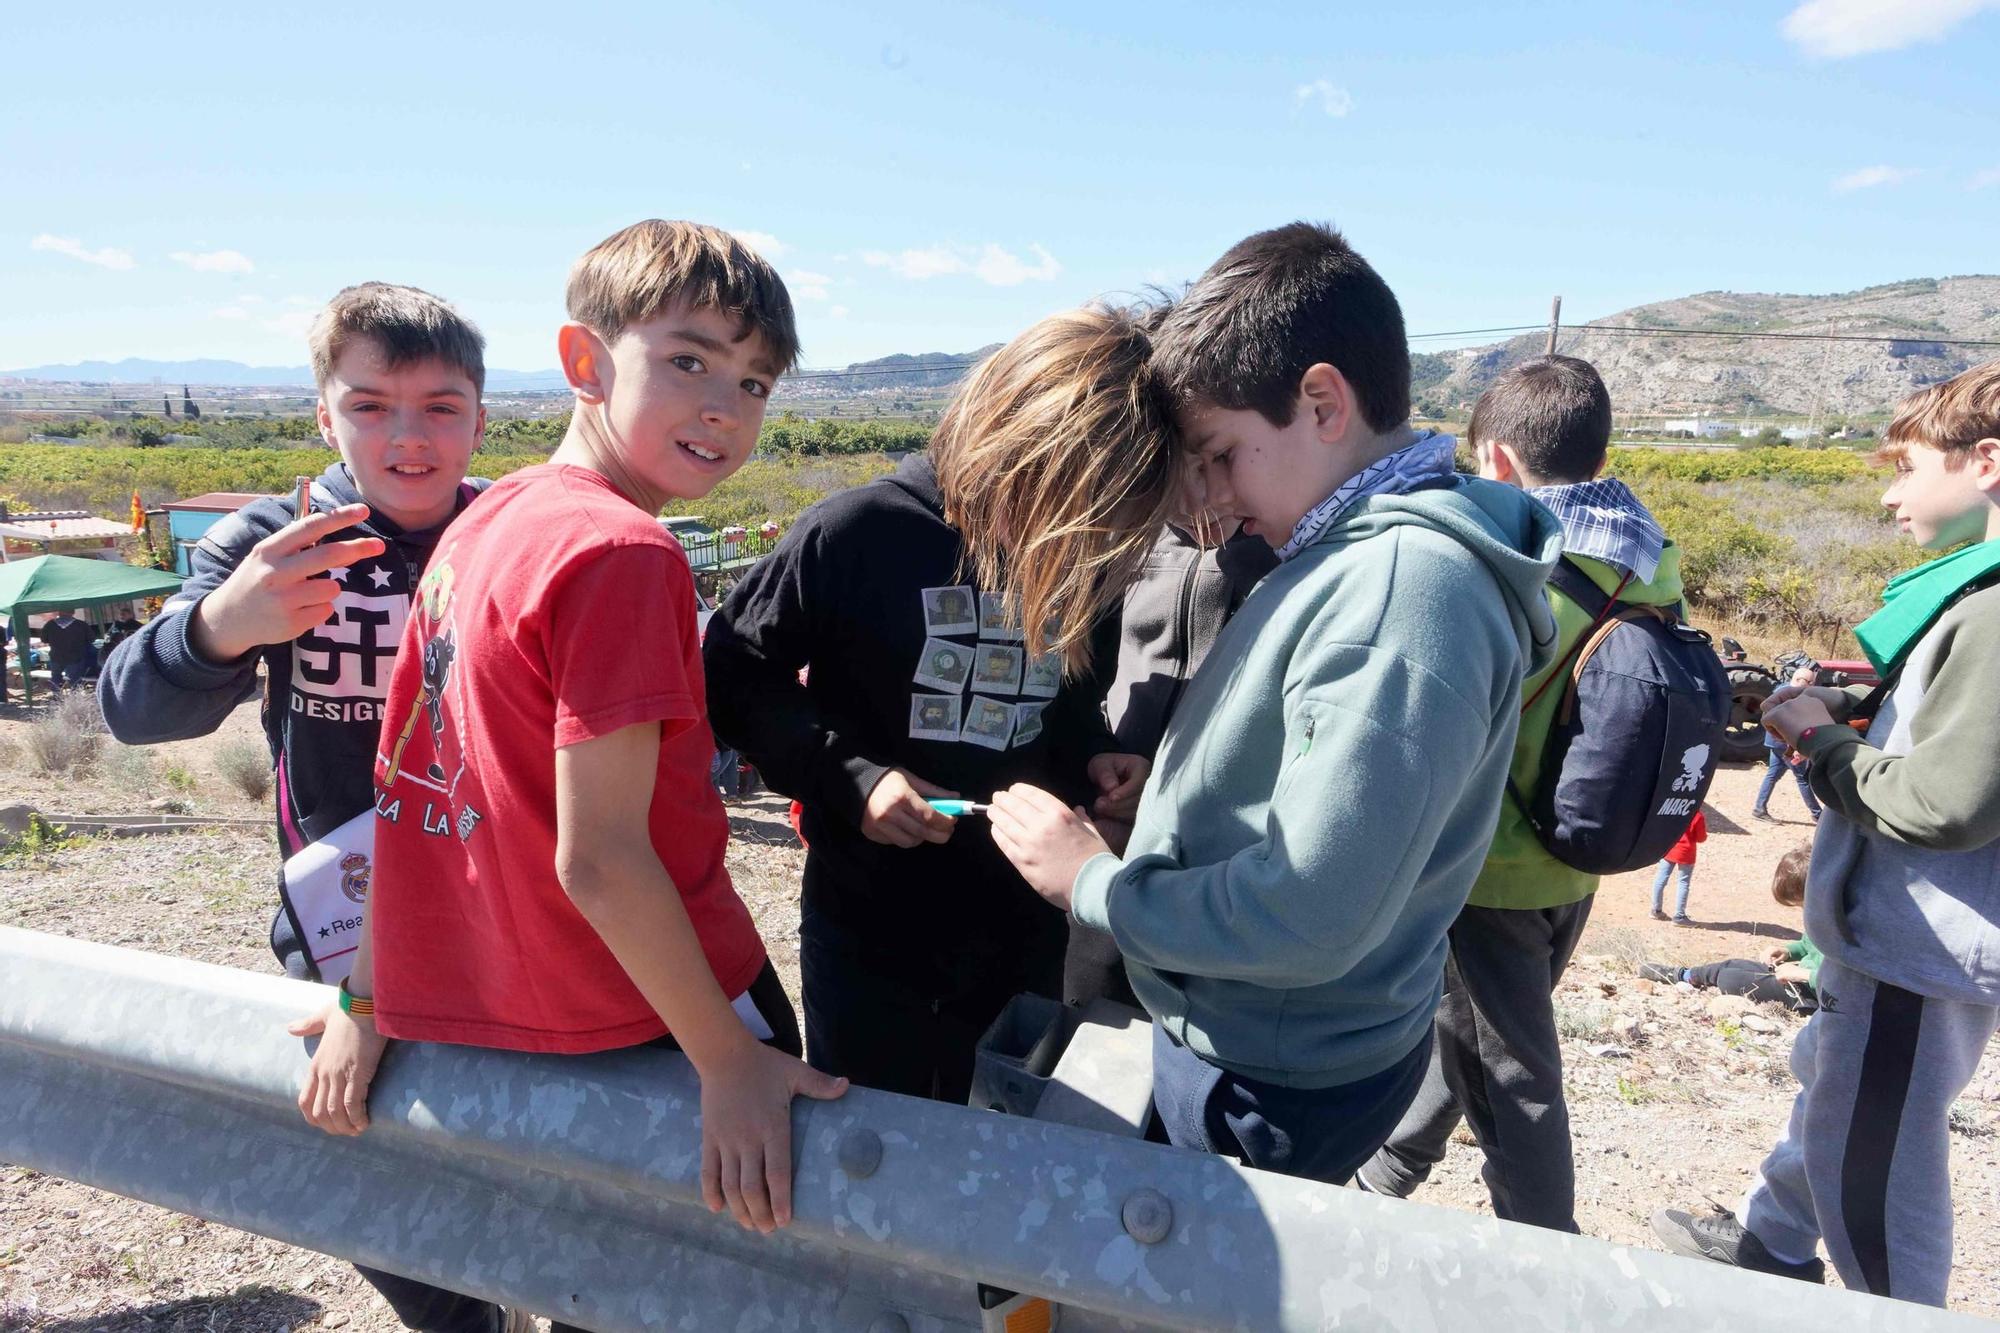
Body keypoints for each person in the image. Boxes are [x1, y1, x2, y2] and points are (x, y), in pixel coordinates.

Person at [296, 224, 846, 1292]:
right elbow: (598, 857)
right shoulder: (624, 553)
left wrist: (368, 1001)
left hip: (517, 1021)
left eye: (753, 380)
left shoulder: (487, 517)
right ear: (585, 363)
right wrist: (728, 1063)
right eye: (686, 360)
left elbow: (412, 782)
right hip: (662, 1018)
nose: (723, 406)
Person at [978, 222, 1564, 1188]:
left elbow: (1309, 913)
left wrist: (1092, 882)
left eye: (1219, 454)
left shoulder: (1397, 592)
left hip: (1273, 1066)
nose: (1206, 499)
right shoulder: (1352, 559)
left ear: (1323, 402)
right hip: (1287, 1032)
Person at [97, 282, 503, 1333]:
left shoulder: (513, 534)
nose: (407, 438)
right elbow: (130, 711)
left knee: (544, 1158)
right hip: (340, 920)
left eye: (440, 407)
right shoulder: (270, 537)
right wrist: (222, 626)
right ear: (325, 414)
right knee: (361, 1176)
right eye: (370, 406)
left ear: (481, 416)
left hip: (509, 919)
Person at [703, 306, 1156, 1107]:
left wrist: (1096, 764)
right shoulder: (859, 531)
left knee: (1000, 1132)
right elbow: (735, 673)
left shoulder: (1086, 559)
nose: (1072, 540)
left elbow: (1071, 702)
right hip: (871, 928)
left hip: (1022, 930)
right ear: (1007, 441)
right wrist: (853, 778)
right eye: (1057, 501)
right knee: (870, 1134)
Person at [1653, 360, 2000, 1306]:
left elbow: (1947, 803)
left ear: (1986, 463)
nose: (1890, 493)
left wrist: (1820, 743)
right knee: (1840, 1104)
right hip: (1909, 946)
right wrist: (1854, 707)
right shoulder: (1975, 598)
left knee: (1879, 1169)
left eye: (1906, 467)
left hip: (1912, 952)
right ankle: (1770, 1247)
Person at [1356, 355, 1683, 1230]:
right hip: (1576, 857)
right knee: (1477, 1042)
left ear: (1497, 458)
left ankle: (1546, 1256)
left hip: (1490, 864)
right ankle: (1388, 1172)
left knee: (1513, 1079)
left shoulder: (1518, 563)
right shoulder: (1651, 561)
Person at [1063, 517, 1275, 1008]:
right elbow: (1078, 680)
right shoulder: (1125, 533)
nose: (1203, 485)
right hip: (1110, 830)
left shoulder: (1287, 541)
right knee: (1095, 1018)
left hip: (1221, 850)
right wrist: (1100, 754)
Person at [1640, 843, 1819, 1014]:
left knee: (1729, 978)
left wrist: (1802, 974)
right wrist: (1789, 950)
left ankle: (1694, 978)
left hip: (1810, 991)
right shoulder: (1822, 918)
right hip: (1799, 976)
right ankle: (1684, 975)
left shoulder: (1841, 925)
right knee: (1731, 964)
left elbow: (1844, 982)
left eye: (1802, 904)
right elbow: (1809, 945)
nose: (1803, 911)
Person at [1754, 666, 1824, 823]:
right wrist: (1797, 747)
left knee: (1773, 774)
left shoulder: (1781, 690)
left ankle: (1759, 808)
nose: (1813, 686)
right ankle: (1817, 814)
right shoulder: (1794, 699)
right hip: (1786, 744)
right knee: (1802, 778)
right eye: (1811, 682)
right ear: (1802, 681)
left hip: (1773, 742)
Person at [1651, 807, 1708, 924]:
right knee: (1683, 882)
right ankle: (1679, 916)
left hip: (1669, 848)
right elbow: (1701, 838)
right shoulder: (1697, 816)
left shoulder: (1673, 810)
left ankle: (1655, 910)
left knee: (1660, 879)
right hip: (1686, 853)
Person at [38, 608, 95, 694]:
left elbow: (44, 639)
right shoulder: (81, 625)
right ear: (73, 612)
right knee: (74, 680)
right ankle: (75, 699)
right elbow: (91, 639)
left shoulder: (50, 625)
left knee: (56, 678)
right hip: (75, 657)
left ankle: (56, 698)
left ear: (59, 612)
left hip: (56, 656)